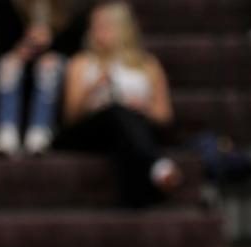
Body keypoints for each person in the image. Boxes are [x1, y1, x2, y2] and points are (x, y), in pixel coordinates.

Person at [60, 1, 181, 207]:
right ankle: (157, 166)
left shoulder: (148, 64)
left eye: (105, 26)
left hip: (136, 126)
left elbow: (165, 116)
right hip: (93, 130)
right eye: (95, 26)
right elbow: (69, 117)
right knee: (115, 112)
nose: (98, 32)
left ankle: (134, 198)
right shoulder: (81, 63)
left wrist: (141, 107)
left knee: (124, 120)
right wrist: (93, 88)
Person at [0, 0, 87, 156]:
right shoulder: (10, 5)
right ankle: (6, 130)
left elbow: (75, 46)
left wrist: (51, 41)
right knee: (8, 65)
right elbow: (2, 40)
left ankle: (40, 130)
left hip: (54, 59)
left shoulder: (70, 7)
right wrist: (21, 48)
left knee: (49, 67)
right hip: (21, 58)